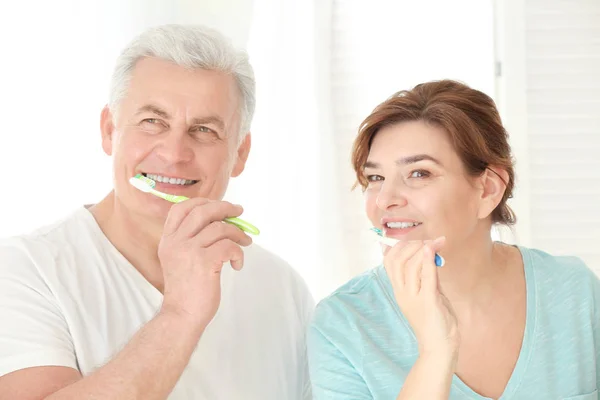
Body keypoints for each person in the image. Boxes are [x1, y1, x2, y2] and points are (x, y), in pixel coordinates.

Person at [0, 24, 314, 400]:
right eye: (153, 122)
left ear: (240, 153)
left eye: (204, 130)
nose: (174, 153)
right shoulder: (25, 271)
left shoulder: (282, 288)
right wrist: (181, 312)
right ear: (109, 130)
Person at [307, 80, 600, 399]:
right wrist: (435, 353)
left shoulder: (576, 293)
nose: (384, 200)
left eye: (419, 173)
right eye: (376, 178)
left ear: (488, 189)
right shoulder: (342, 325)